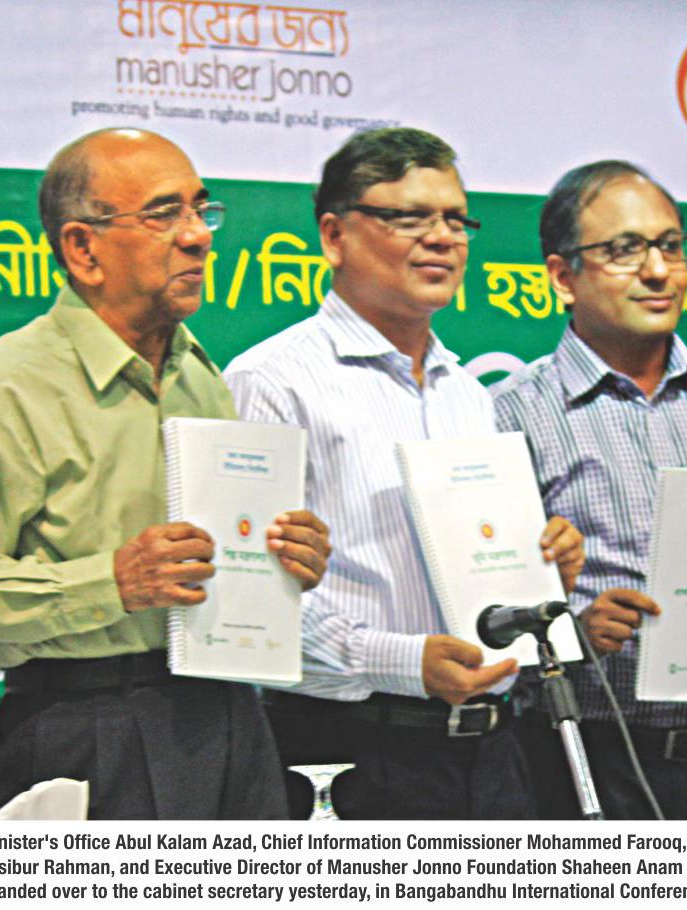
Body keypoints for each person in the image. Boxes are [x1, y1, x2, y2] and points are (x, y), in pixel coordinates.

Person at [0, 128, 331, 820]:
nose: (198, 236)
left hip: (229, 719)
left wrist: (282, 562)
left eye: (202, 210)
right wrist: (110, 584)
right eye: (165, 214)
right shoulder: (5, 386)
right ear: (83, 248)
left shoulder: (202, 376)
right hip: (84, 726)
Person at [224, 127, 585, 820]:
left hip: (494, 755)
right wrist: (398, 660)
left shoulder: (468, 393)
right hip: (348, 754)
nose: (442, 238)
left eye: (456, 220)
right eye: (410, 218)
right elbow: (248, 607)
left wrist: (541, 573)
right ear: (335, 236)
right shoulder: (273, 383)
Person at [491, 160, 687, 820]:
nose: (658, 270)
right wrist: (577, 634)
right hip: (579, 765)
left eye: (670, 245)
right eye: (624, 250)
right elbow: (485, 619)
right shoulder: (513, 413)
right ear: (562, 277)